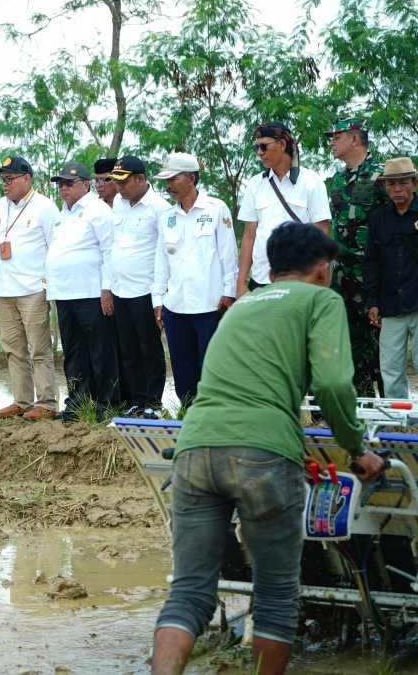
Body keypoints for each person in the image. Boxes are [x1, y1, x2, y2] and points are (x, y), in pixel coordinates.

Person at [151, 222, 384, 675]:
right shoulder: (322, 299)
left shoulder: (242, 305)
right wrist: (356, 449)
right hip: (263, 452)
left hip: (195, 448)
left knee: (190, 592)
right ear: (321, 269)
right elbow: (335, 383)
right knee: (276, 594)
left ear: (272, 269)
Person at [151, 153, 238, 405]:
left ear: (191, 178)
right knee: (182, 368)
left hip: (211, 305)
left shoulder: (216, 209)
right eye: (165, 180)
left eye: (173, 179)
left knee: (214, 367)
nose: (168, 186)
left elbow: (228, 256)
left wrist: (229, 293)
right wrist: (158, 300)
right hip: (176, 306)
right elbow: (161, 262)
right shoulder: (167, 217)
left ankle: (218, 417)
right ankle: (189, 415)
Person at [0, 155, 59, 420]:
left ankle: (46, 402)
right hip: (5, 290)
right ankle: (22, 401)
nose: (5, 184)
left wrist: (50, 286)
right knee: (13, 348)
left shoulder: (45, 207)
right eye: (2, 179)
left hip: (34, 288)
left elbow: (54, 249)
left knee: (39, 347)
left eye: (10, 179)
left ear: (27, 179)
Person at [45, 161, 118, 421]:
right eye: (59, 184)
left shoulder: (97, 210)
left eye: (68, 183)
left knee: (100, 351)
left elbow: (109, 250)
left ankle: (107, 404)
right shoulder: (61, 213)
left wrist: (107, 289)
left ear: (85, 184)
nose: (62, 188)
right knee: (73, 351)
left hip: (91, 292)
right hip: (65, 294)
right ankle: (77, 403)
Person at [326, 116, 388, 396]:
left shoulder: (381, 175)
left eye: (336, 137)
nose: (332, 142)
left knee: (385, 346)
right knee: (350, 345)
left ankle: (392, 416)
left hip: (374, 277)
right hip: (343, 277)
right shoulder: (337, 180)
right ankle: (360, 410)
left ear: (354, 138)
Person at [237, 121, 331, 298]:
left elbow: (322, 233)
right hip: (261, 278)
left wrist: (320, 280)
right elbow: (249, 235)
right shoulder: (255, 184)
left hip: (300, 278)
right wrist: (241, 282)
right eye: (256, 147)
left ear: (282, 144)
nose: (259, 153)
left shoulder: (311, 182)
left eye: (264, 146)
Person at [108, 155, 169, 417]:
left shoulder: (159, 208)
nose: (119, 187)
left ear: (141, 179)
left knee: (150, 351)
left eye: (124, 181)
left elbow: (164, 255)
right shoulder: (118, 205)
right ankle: (137, 400)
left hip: (145, 290)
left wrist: (159, 296)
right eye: (116, 181)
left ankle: (153, 403)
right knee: (128, 350)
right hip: (120, 289)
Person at [363, 157, 418, 399]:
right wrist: (372, 301)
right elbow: (371, 262)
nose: (397, 189)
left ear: (414, 183)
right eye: (391, 184)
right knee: (391, 368)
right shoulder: (378, 218)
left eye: (403, 183)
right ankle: (398, 427)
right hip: (390, 304)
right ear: (385, 187)